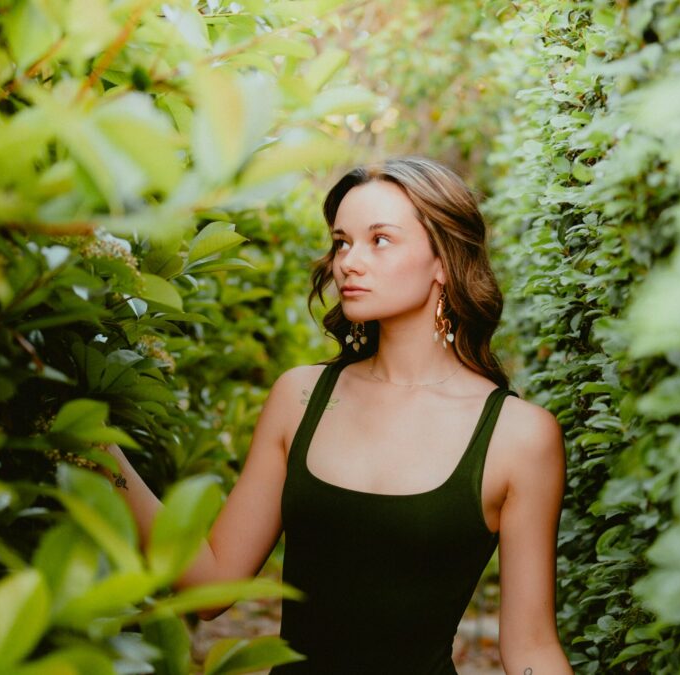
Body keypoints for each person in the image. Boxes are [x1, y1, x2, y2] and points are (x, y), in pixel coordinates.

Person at [105, 157, 572, 674]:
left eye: (380, 240)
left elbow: (531, 648)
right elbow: (212, 585)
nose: (348, 261)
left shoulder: (519, 436)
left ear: (443, 260)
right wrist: (97, 452)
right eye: (342, 242)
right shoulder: (300, 398)